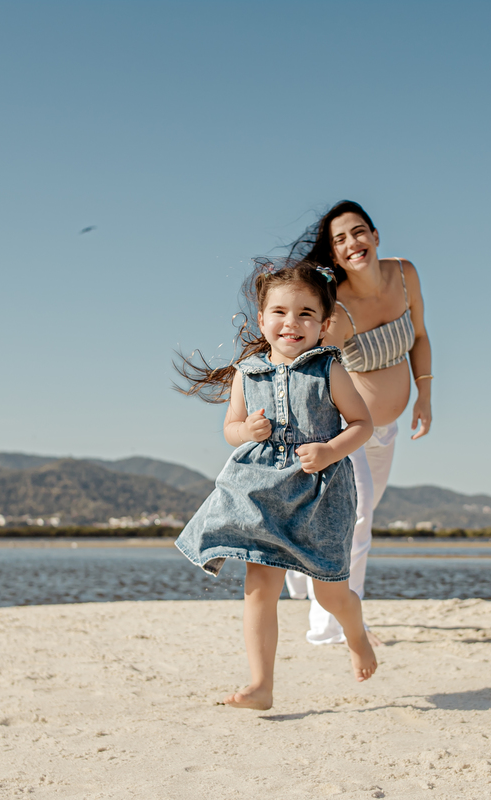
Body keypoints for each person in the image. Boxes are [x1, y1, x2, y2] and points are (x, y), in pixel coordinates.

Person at [175, 258, 378, 710]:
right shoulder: (247, 373)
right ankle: (261, 684)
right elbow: (231, 429)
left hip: (318, 493)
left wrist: (330, 450)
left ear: (324, 324)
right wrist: (246, 431)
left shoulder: (328, 369)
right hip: (263, 490)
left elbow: (362, 423)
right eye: (280, 312)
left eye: (306, 314)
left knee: (330, 592)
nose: (292, 322)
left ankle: (356, 633)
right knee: (259, 585)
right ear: (262, 319)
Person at [282, 201, 433, 646]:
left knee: (357, 516)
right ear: (333, 254)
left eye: (358, 231)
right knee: (358, 520)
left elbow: (419, 335)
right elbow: (310, 367)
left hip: (387, 431)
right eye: (340, 240)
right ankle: (333, 627)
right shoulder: (339, 308)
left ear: (375, 235)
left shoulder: (404, 274)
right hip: (347, 433)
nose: (353, 243)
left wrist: (424, 394)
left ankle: (300, 564)